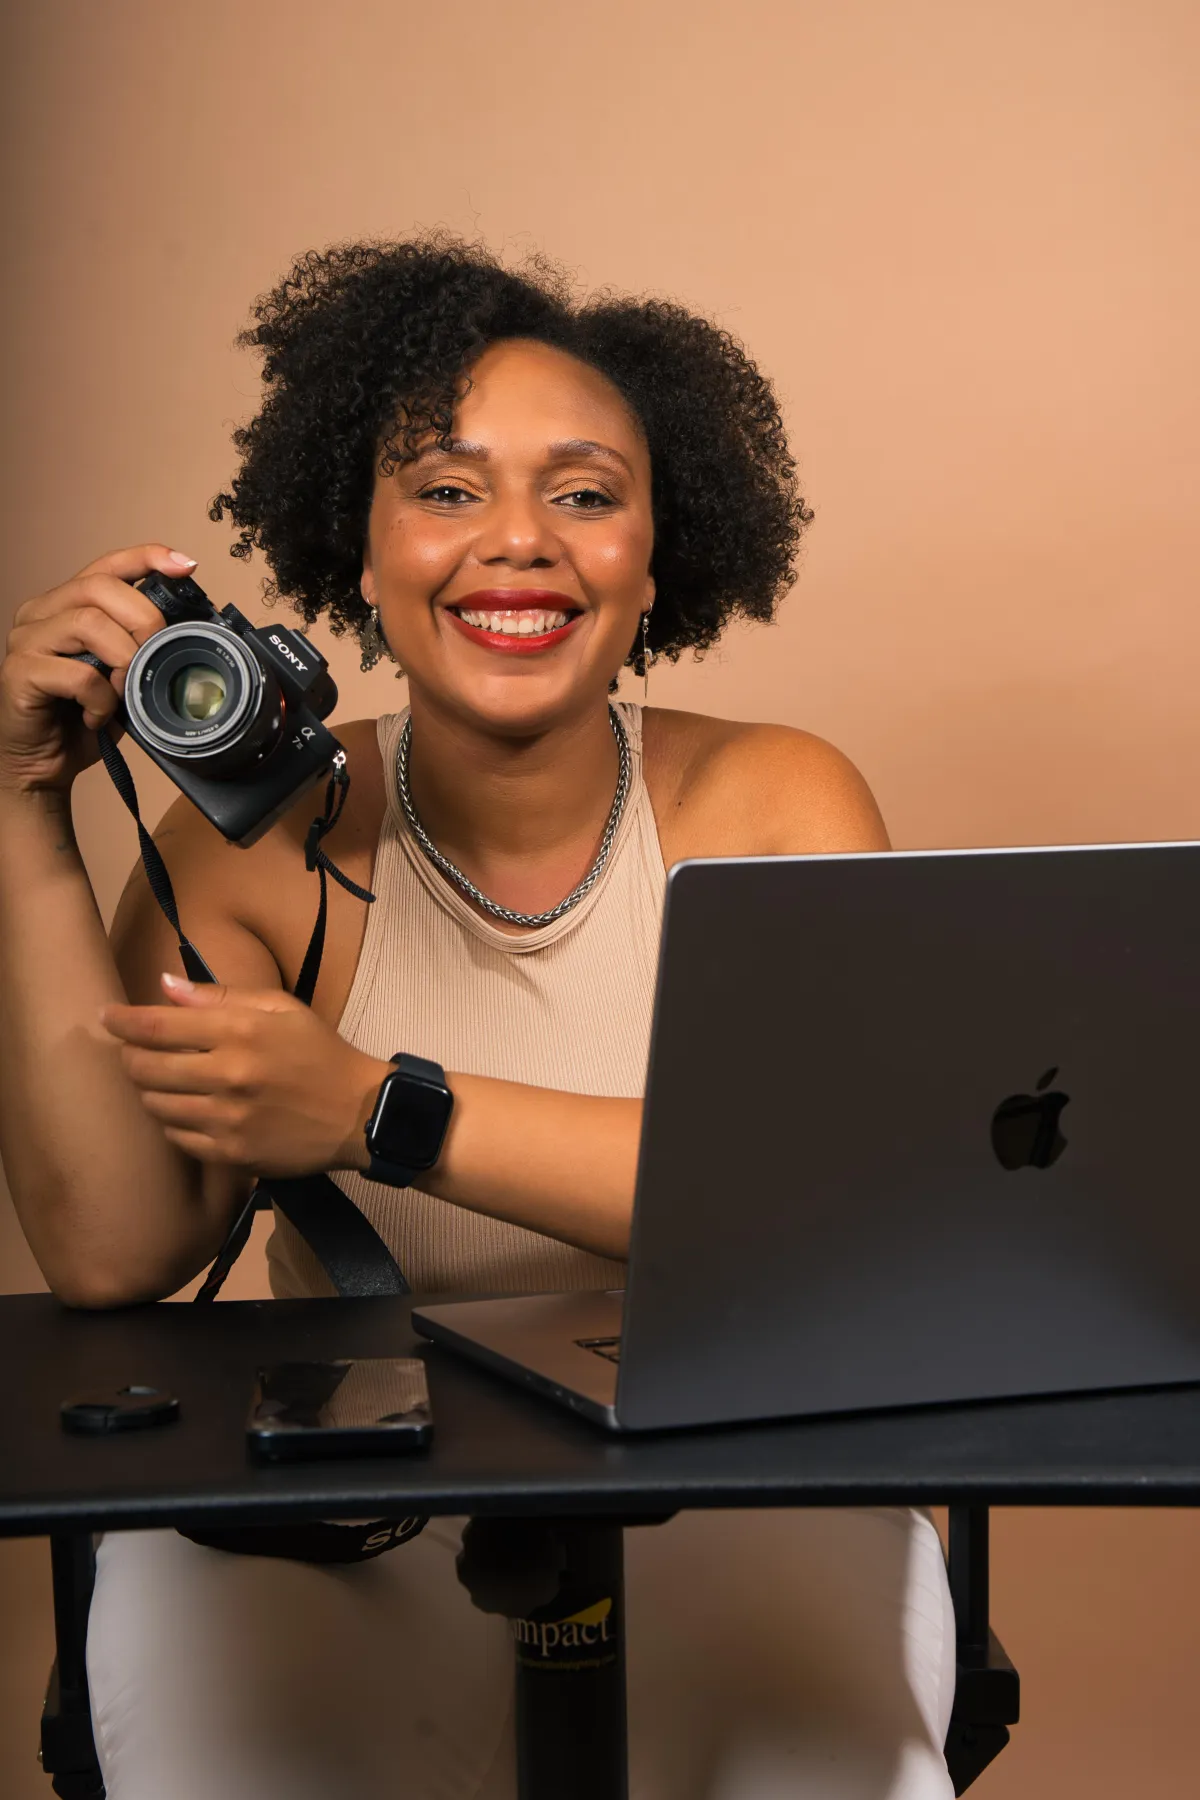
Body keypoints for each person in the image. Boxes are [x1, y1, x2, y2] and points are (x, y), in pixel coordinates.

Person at [0, 238, 955, 1799]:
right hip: (346, 1513)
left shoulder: (777, 802)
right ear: (359, 552)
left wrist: (377, 1109)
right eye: (446, 490)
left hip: (733, 1487)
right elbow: (114, 1251)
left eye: (583, 494)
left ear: (656, 557)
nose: (518, 541)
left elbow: (823, 1210)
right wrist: (21, 801)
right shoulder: (254, 850)